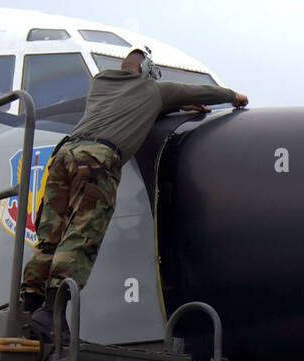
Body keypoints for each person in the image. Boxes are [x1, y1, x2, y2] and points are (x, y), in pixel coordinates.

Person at [19, 48, 248, 341]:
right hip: (97, 158)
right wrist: (233, 96)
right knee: (81, 233)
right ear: (147, 73)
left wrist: (161, 106)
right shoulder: (153, 89)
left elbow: (125, 105)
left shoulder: (100, 84)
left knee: (50, 236)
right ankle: (52, 313)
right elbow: (202, 91)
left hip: (64, 155)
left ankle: (29, 311)